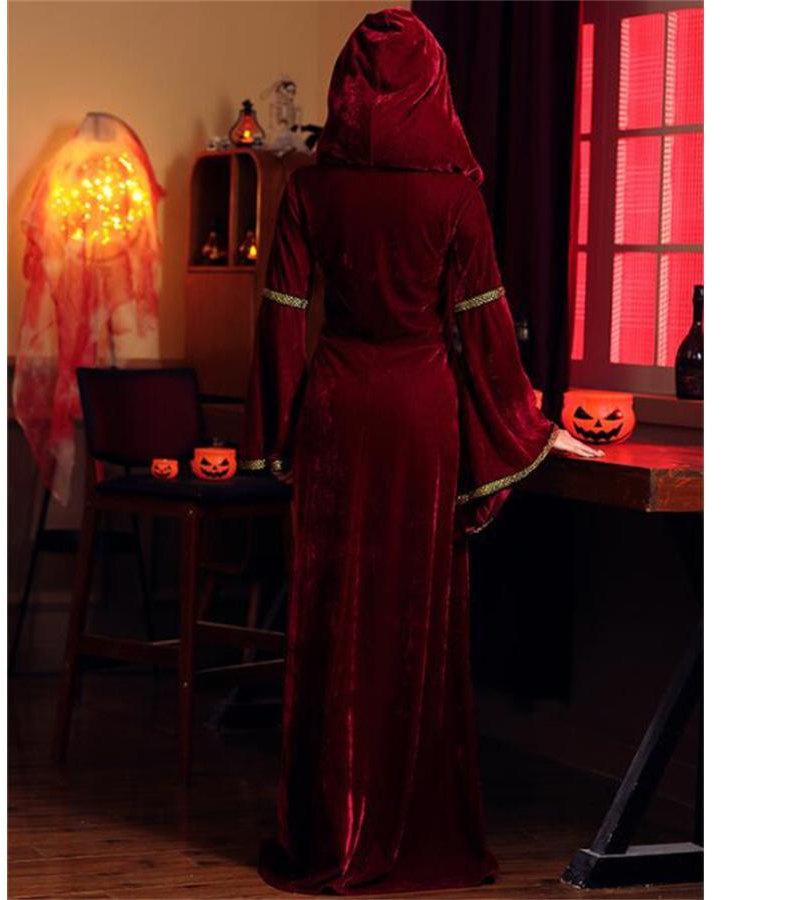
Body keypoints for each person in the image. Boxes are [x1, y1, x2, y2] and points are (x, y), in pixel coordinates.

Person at [240, 8, 600, 894]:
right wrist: (531, 422)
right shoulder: (456, 196)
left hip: (337, 412)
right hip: (420, 415)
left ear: (347, 86)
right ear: (432, 83)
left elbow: (281, 320)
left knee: (333, 617)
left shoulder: (311, 192)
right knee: (416, 617)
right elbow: (486, 337)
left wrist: (274, 437)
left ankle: (331, 829)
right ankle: (414, 826)